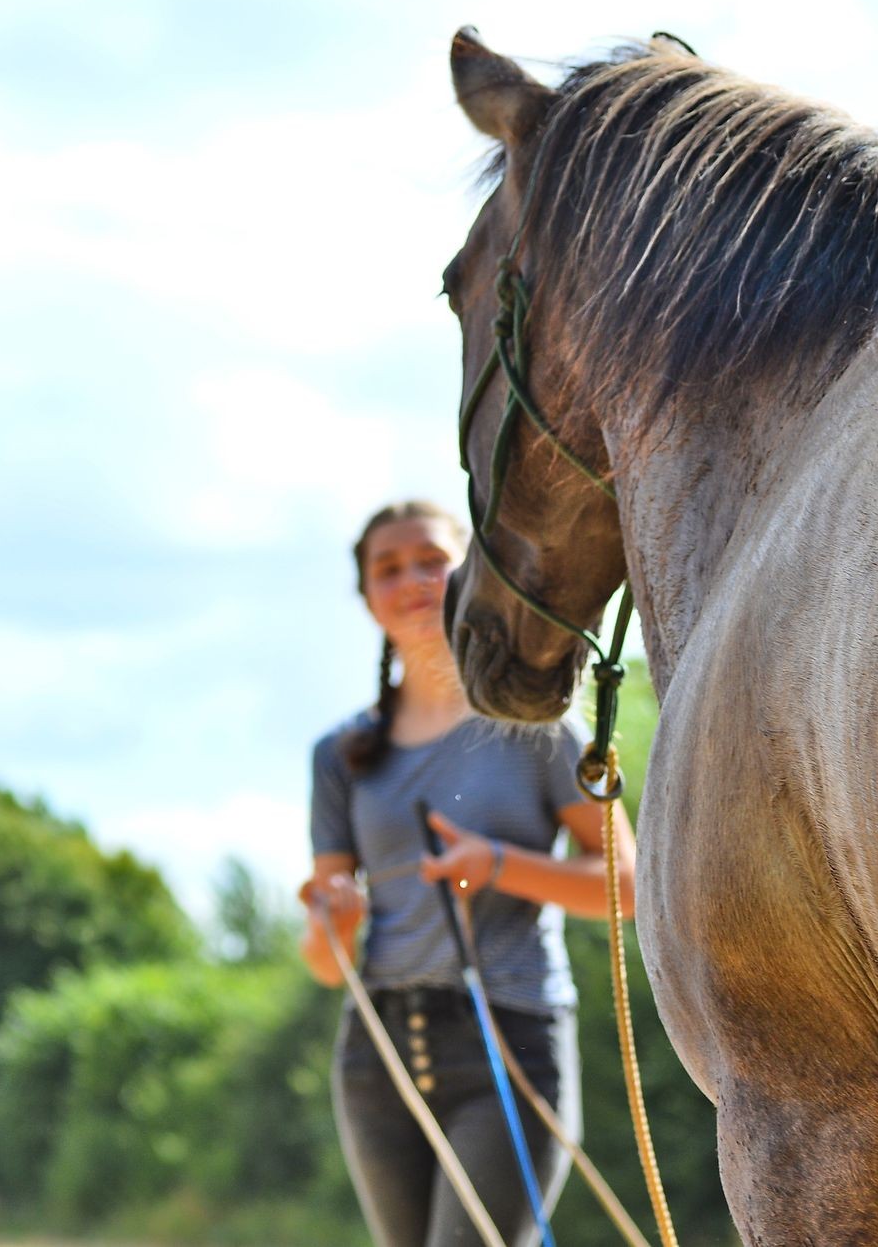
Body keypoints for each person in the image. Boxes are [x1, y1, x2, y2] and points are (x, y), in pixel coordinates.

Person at [299, 498, 637, 1247]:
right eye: (388, 568)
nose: (413, 578)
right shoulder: (340, 754)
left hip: (511, 1042)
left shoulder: (542, 728)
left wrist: (497, 866)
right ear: (366, 599)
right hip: (376, 1053)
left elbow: (628, 885)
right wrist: (336, 919)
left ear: (469, 572)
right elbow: (325, 963)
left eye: (430, 557)